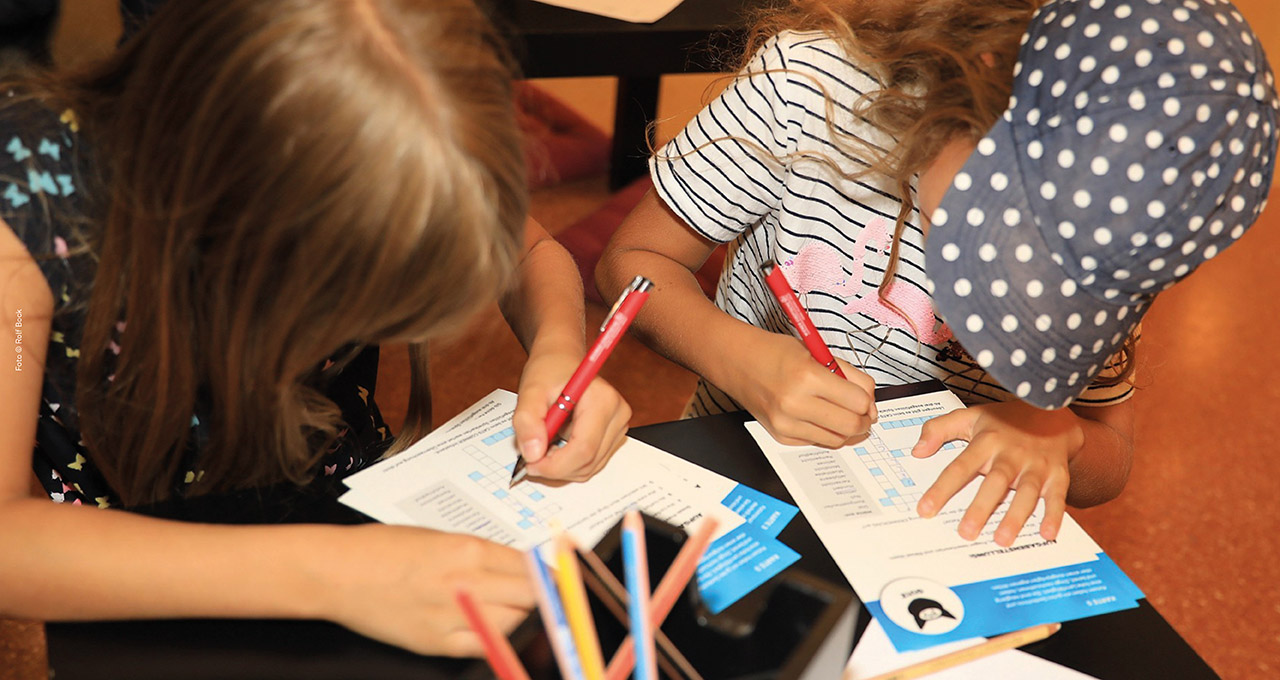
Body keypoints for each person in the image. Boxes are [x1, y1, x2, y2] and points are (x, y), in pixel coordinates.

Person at [0, 0, 630, 657]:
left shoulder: (391, 135)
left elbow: (528, 254)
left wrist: (558, 352)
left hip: (348, 498)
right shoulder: (27, 201)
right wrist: (331, 572)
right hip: (135, 563)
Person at [598, 0, 1276, 547]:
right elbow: (632, 264)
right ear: (972, 90)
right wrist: (739, 356)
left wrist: (1055, 436)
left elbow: (1112, 453)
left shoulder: (1124, 230)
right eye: (1000, 245)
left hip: (923, 542)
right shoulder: (806, 92)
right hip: (739, 467)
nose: (1022, 288)